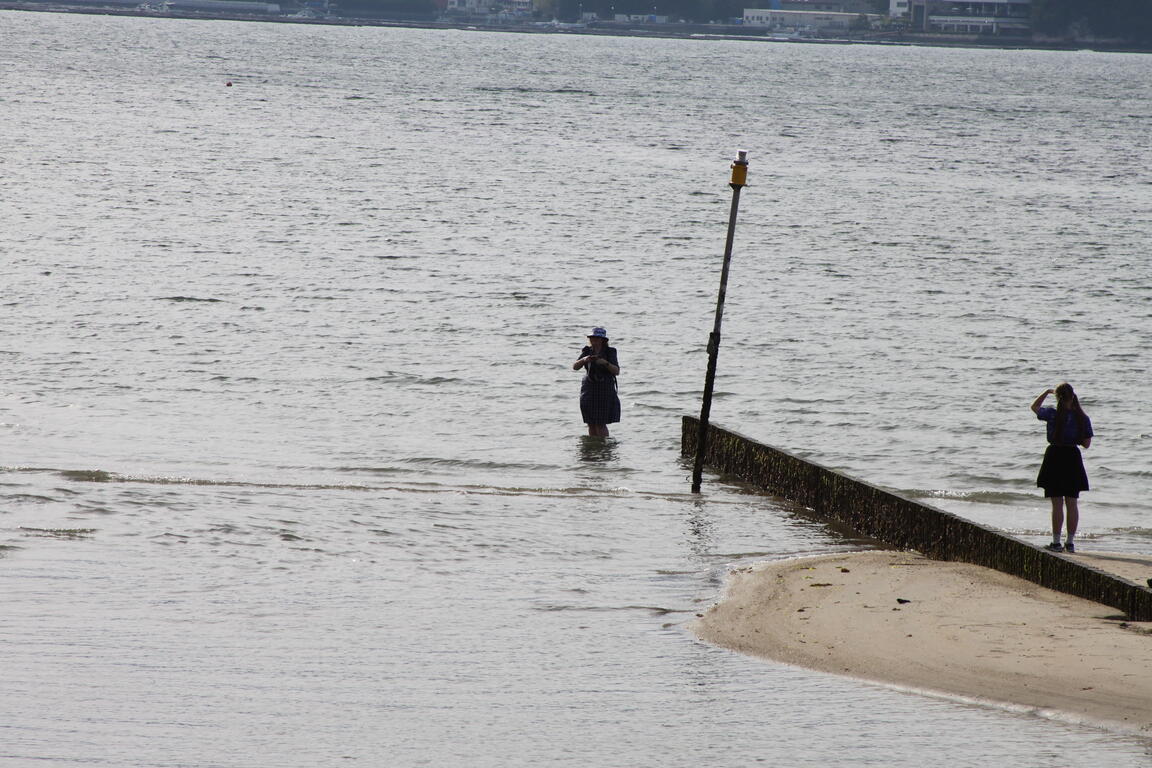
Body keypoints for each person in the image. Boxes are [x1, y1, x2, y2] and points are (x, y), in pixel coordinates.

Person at [1030, 382, 1093, 553]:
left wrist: (1046, 392)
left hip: (1054, 456)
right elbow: (1086, 444)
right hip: (1072, 457)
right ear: (1073, 396)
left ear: (1057, 397)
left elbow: (1034, 407)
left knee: (1056, 503)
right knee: (1072, 502)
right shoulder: (1082, 417)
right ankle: (1070, 542)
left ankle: (1056, 542)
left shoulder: (1052, 414)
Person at [573, 327, 620, 438]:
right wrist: (584, 359)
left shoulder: (610, 352)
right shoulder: (586, 351)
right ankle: (594, 449)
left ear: (603, 340)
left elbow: (616, 371)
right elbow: (575, 367)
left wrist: (605, 363)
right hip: (589, 389)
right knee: (590, 422)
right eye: (592, 338)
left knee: (601, 423)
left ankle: (603, 448)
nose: (594, 340)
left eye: (597, 338)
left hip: (604, 389)